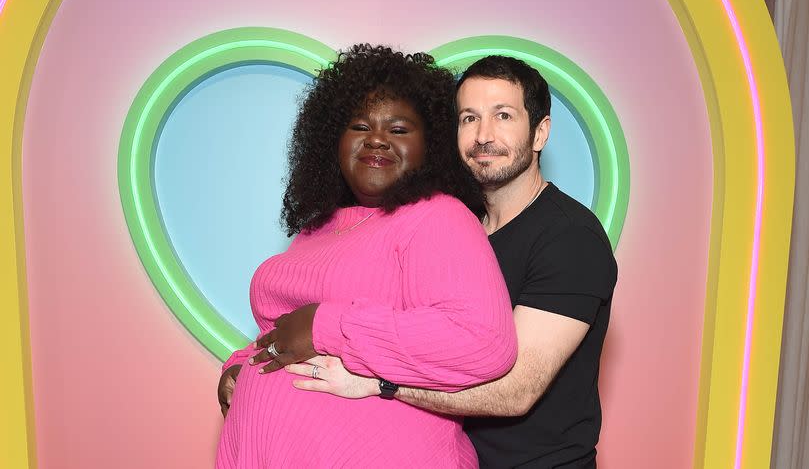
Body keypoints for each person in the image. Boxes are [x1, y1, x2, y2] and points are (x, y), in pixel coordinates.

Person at [286, 56, 618, 468]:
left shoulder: (570, 238)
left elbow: (515, 391)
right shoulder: (449, 223)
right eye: (468, 118)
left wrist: (377, 384)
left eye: (503, 116)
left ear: (540, 133)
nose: (483, 136)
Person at [215, 45, 518, 468]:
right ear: (333, 141)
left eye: (398, 129)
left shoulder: (438, 217)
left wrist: (328, 325)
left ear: (429, 145)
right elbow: (288, 331)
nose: (376, 138)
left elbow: (483, 342)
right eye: (360, 125)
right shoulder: (319, 226)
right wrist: (244, 366)